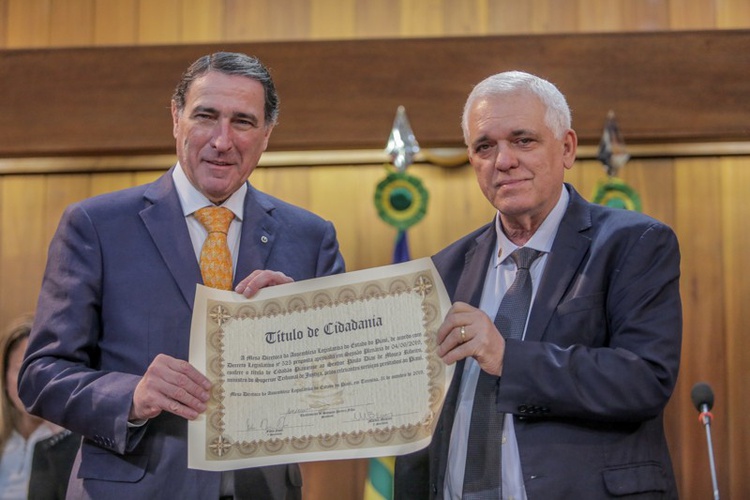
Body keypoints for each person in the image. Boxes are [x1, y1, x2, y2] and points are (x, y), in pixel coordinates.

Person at [19, 52, 345, 499]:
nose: (222, 140)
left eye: (243, 122)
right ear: (176, 118)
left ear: (267, 134)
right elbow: (40, 375)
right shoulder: (96, 225)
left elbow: (340, 386)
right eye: (206, 116)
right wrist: (132, 396)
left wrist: (303, 327)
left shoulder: (311, 237)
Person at [394, 71, 681, 499]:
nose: (503, 160)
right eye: (484, 146)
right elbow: (417, 415)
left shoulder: (633, 244)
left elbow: (644, 379)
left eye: (523, 140)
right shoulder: (443, 268)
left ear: (566, 148)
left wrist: (508, 357)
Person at [0, 315, 71, 499]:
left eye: (41, 371)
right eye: (20, 369)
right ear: (5, 379)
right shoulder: (5, 441)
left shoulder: (71, 442)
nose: (31, 382)